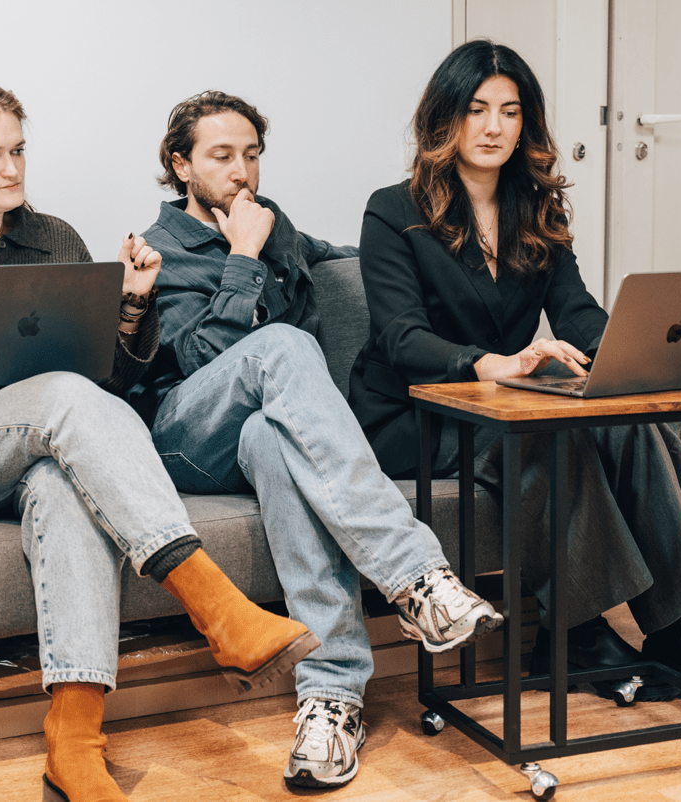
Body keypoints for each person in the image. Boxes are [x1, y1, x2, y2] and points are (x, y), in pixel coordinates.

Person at [0, 78, 320, 802]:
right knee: (61, 395)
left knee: (62, 481)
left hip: (34, 448)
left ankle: (74, 745)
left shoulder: (53, 240)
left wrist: (133, 306)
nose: (13, 168)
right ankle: (217, 606)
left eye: (19, 150)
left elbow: (105, 382)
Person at [349, 40, 681, 708]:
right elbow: (402, 337)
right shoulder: (393, 210)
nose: (493, 127)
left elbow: (576, 311)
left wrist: (630, 350)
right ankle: (576, 632)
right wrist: (487, 362)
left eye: (510, 111)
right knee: (550, 437)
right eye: (477, 109)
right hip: (413, 414)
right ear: (445, 117)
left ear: (526, 124)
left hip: (504, 404)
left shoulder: (536, 209)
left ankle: (680, 630)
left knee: (624, 424)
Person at [128, 90, 504, 790]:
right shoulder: (159, 250)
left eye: (251, 155)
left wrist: (426, 264)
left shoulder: (275, 226)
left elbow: (342, 254)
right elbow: (199, 361)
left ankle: (332, 698)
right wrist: (242, 257)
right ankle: (417, 576)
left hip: (258, 436)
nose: (241, 171)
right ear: (180, 165)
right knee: (283, 344)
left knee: (275, 439)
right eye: (221, 156)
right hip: (186, 438)